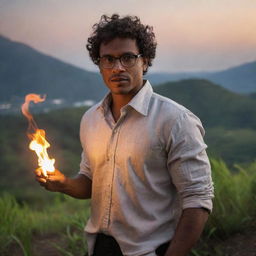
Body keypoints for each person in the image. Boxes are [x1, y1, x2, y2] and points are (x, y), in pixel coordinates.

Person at [35, 14, 214, 256]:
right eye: (108, 59)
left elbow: (198, 199)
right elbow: (90, 182)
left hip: (153, 249)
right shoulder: (91, 119)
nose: (117, 67)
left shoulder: (175, 119)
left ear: (145, 61)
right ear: (99, 65)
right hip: (100, 247)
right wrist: (64, 184)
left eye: (128, 58)